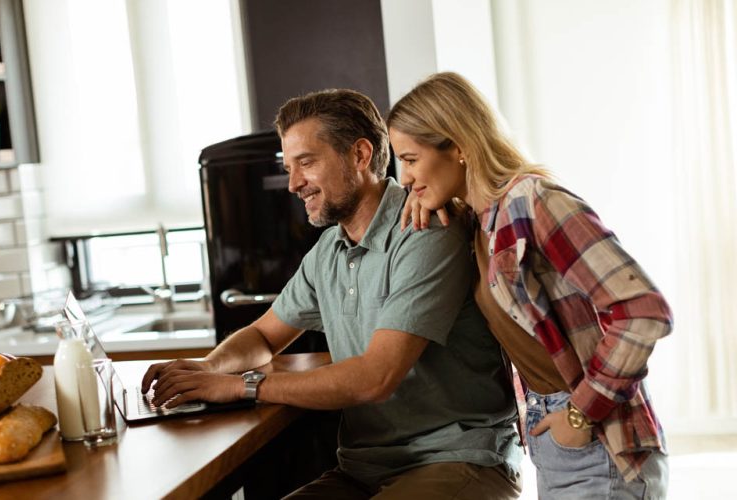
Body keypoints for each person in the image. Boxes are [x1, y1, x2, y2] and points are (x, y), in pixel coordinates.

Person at [142, 89, 523, 499]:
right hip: (364, 470)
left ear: (360, 155)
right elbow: (264, 336)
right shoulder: (328, 251)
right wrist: (211, 367)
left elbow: (376, 378)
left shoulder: (425, 230)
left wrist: (242, 386)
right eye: (288, 167)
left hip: (457, 459)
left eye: (306, 162)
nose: (292, 184)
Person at [387, 71, 672, 499]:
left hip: (597, 438)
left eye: (410, 159)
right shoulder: (482, 222)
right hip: (547, 432)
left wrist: (580, 414)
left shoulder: (534, 202)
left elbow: (644, 310)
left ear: (459, 146)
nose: (403, 177)